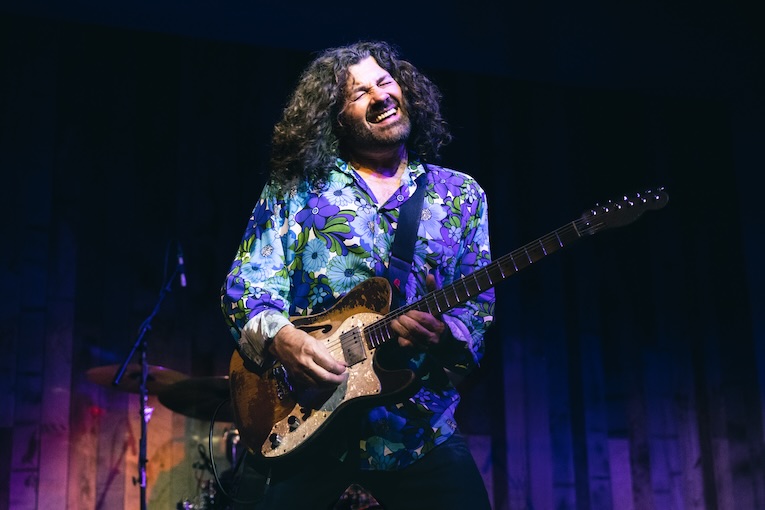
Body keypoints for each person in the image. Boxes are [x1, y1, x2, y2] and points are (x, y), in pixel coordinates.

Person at [220, 40, 495, 510]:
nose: (381, 96)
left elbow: (477, 310)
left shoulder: (461, 197)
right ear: (335, 117)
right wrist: (284, 339)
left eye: (386, 82)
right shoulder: (298, 189)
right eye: (360, 93)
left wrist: (444, 335)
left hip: (416, 430)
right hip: (302, 423)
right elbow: (244, 288)